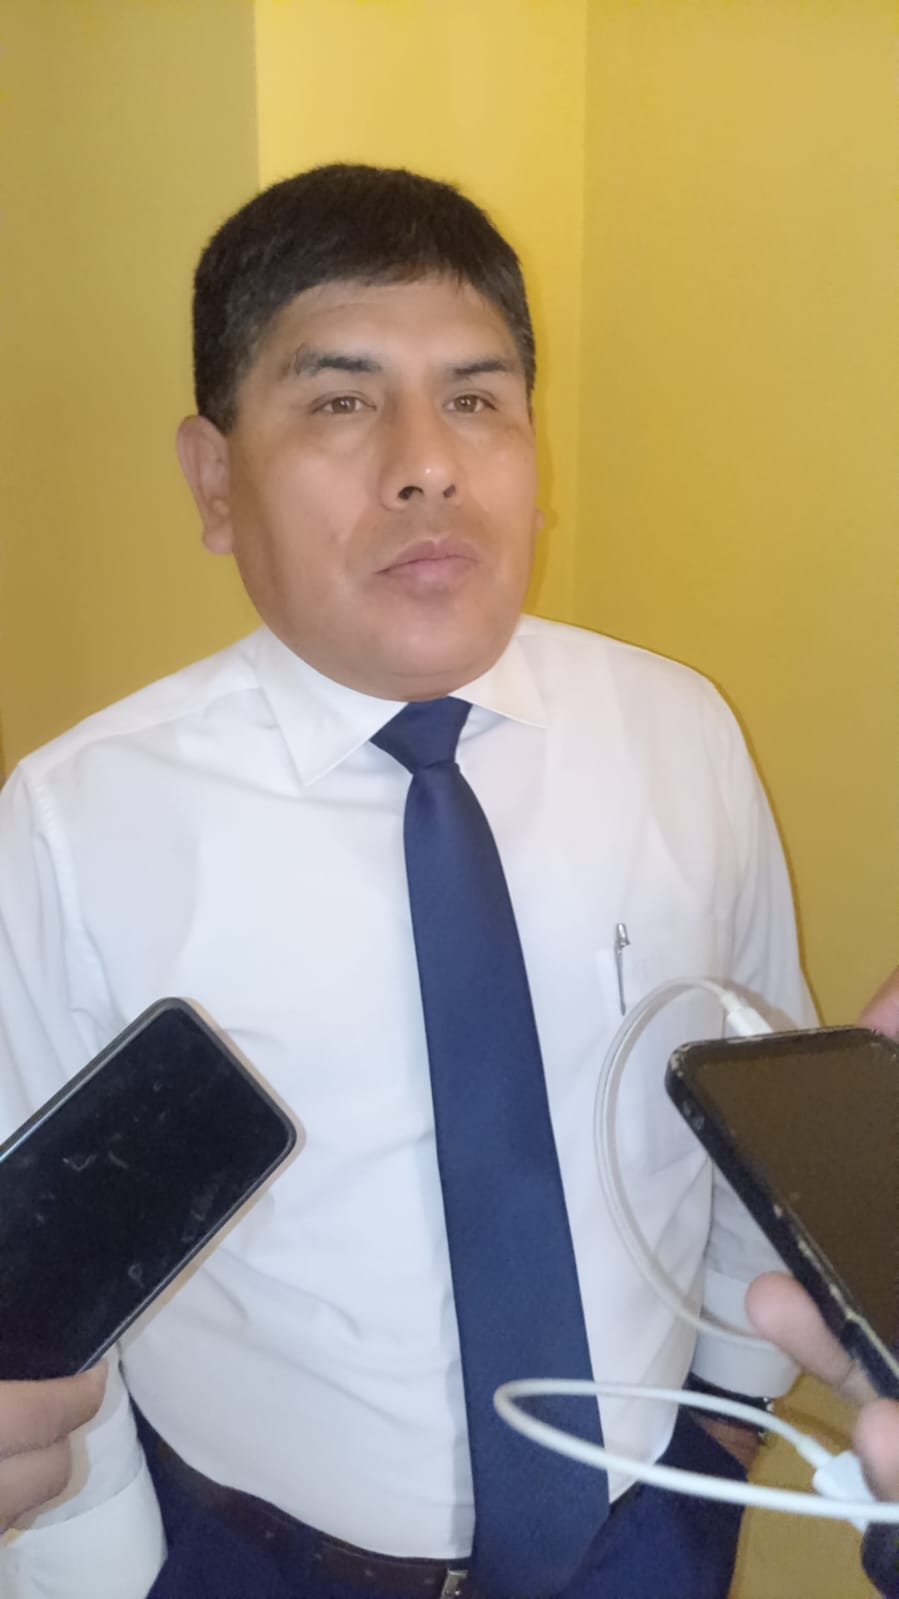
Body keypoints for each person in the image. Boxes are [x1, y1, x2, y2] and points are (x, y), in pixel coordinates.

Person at [0, 162, 847, 1599]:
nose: (427, 464)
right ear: (214, 480)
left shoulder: (680, 732)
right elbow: (38, 1303)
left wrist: (729, 1410)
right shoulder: (74, 824)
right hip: (258, 1558)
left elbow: (749, 1091)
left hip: (647, 1526)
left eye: (476, 398)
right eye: (341, 402)